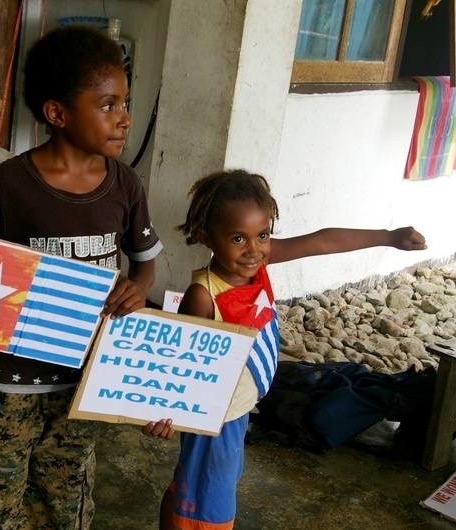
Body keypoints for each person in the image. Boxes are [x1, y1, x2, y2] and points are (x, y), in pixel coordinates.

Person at [0, 25, 164, 529]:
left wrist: (136, 289)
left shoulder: (126, 185)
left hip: (82, 380)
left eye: (125, 103)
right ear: (57, 114)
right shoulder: (11, 183)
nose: (125, 119)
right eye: (108, 105)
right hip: (7, 380)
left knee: (64, 489)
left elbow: (143, 261)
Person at [143, 169, 427, 530]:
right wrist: (162, 412)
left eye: (263, 235)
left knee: (192, 487)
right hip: (215, 420)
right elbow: (175, 365)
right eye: (237, 238)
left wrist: (388, 236)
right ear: (205, 236)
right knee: (209, 507)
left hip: (238, 407)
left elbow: (320, 242)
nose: (254, 249)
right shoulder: (203, 296)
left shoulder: (253, 265)